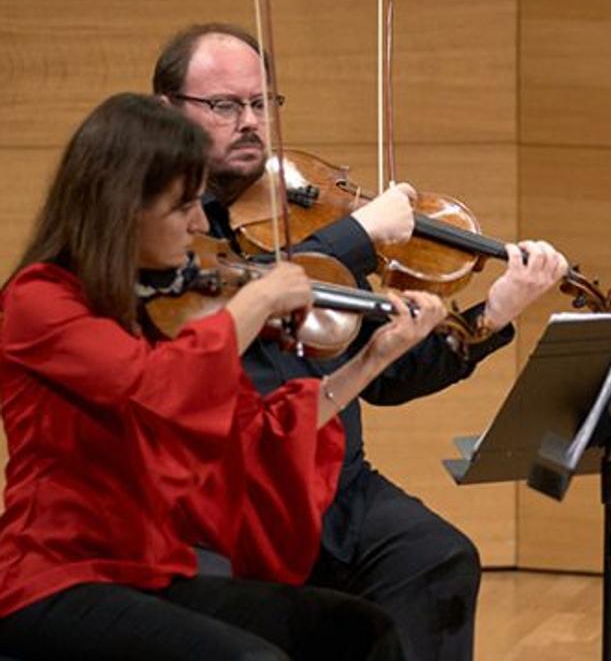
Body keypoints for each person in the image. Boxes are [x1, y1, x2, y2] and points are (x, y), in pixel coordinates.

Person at [152, 22, 569, 660]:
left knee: (436, 558)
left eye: (261, 104)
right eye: (223, 106)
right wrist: (357, 239)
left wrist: (492, 312)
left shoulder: (300, 217)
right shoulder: (156, 224)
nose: (250, 122)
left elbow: (394, 379)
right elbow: (243, 301)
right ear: (166, 111)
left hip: (334, 489)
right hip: (220, 499)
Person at [0, 93, 450, 659]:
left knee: (362, 631)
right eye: (181, 205)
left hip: (153, 572)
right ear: (122, 209)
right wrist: (255, 301)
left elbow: (260, 433)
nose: (197, 221)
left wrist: (373, 358)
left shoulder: (163, 306)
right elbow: (151, 389)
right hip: (53, 580)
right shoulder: (39, 301)